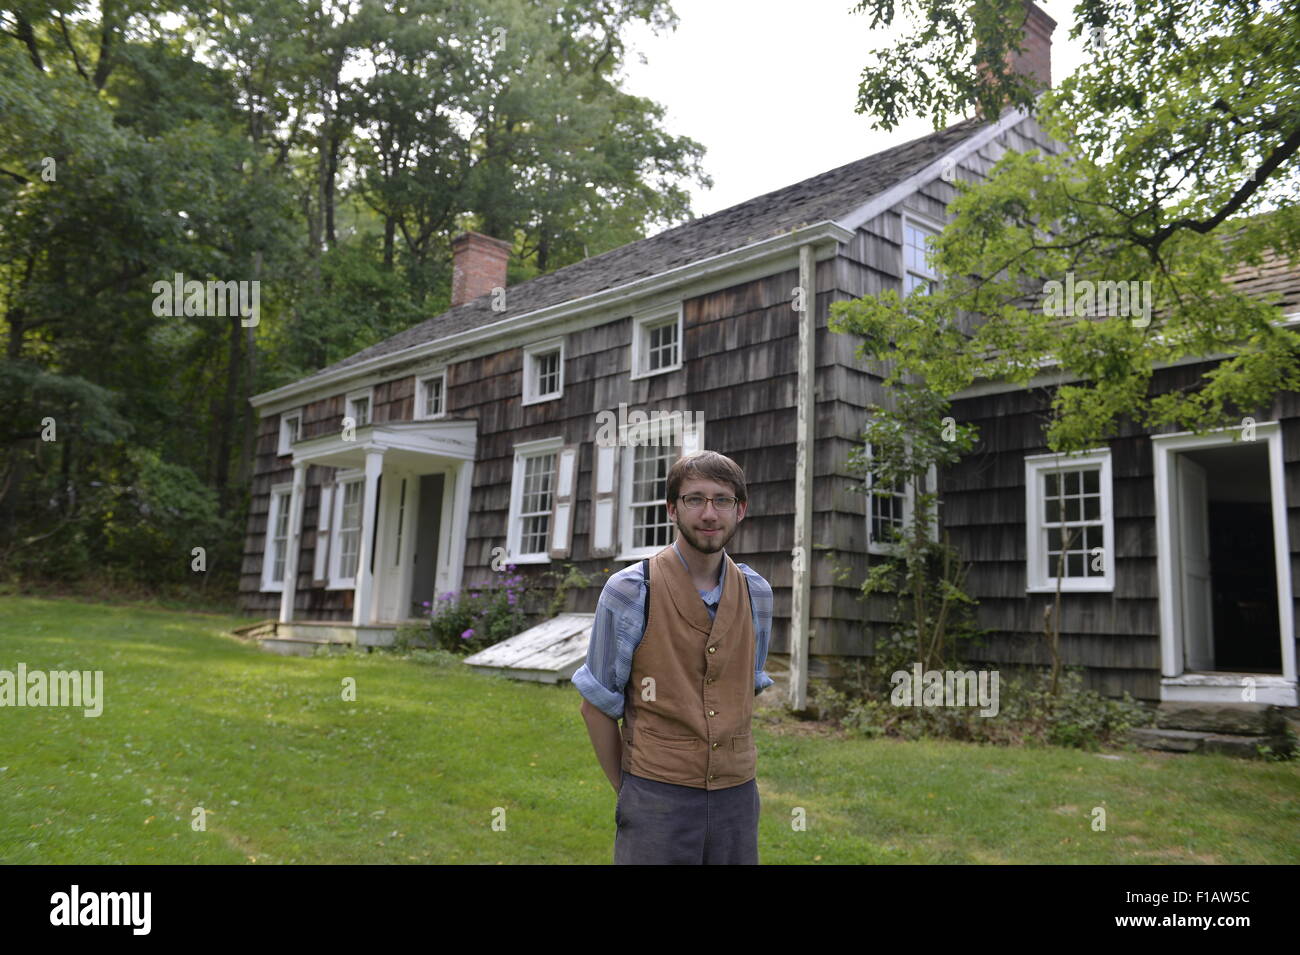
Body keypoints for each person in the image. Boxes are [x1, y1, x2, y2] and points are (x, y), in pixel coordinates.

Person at [573, 450, 773, 864]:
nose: (709, 513)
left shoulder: (758, 594)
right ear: (671, 509)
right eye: (694, 499)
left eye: (722, 500)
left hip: (737, 799)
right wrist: (629, 791)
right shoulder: (630, 590)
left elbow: (743, 689)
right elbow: (595, 709)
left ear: (741, 511)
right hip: (656, 797)